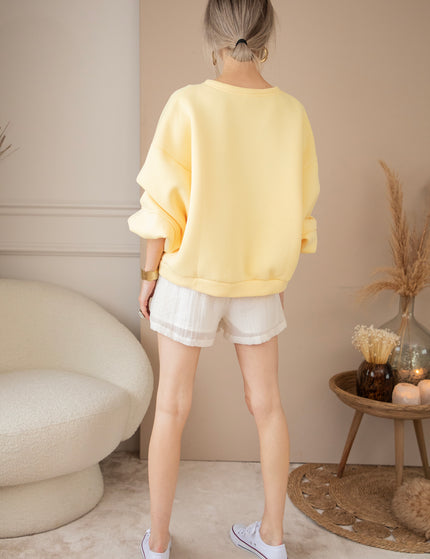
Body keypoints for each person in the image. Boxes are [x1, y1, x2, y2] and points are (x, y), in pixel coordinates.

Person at [127, 1, 320, 557]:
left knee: (171, 408)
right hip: (259, 281)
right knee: (268, 406)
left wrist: (149, 275)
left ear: (212, 34)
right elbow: (298, 208)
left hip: (190, 275)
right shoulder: (292, 114)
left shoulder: (187, 103)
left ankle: (157, 544)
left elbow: (162, 205)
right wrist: (277, 272)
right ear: (266, 35)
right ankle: (273, 538)